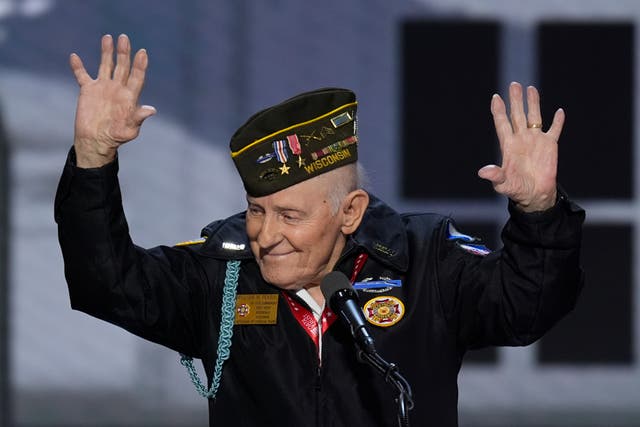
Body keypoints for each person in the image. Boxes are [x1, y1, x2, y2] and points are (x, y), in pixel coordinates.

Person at [55, 34, 585, 427]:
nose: (265, 234)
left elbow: (528, 307)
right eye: (256, 210)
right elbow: (106, 282)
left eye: (290, 216)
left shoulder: (427, 261)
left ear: (350, 212)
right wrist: (93, 160)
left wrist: (539, 212)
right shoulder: (222, 275)